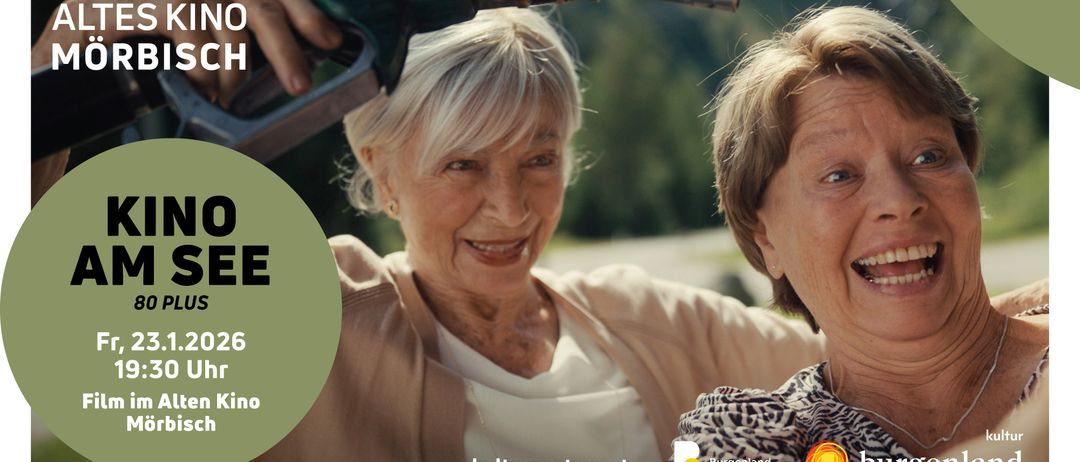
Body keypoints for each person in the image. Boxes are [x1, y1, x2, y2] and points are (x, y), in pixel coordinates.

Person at [28, 3, 1046, 461]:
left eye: (540, 158)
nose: (512, 209)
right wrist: (98, 29)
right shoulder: (315, 315)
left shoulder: (651, 325)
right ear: (380, 167)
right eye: (463, 166)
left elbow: (895, 364)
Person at [676, 6, 1049, 460]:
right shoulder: (741, 436)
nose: (898, 200)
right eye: (839, 176)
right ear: (767, 238)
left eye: (928, 157)